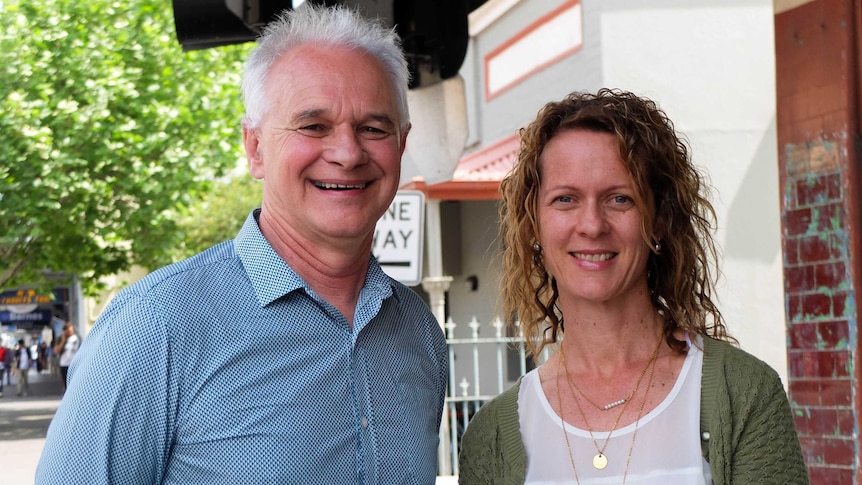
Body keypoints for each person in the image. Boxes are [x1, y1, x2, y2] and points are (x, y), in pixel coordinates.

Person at [37, 5, 447, 484]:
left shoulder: (418, 335)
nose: (347, 153)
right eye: (313, 126)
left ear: (400, 145)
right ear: (255, 148)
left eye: (373, 128)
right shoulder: (156, 327)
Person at [458, 89, 808, 484]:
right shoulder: (494, 435)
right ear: (535, 224)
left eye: (619, 199)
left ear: (658, 219)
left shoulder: (744, 394)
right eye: (565, 199)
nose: (592, 224)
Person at [53, 323, 80, 390]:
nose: (69, 332)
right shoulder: (61, 338)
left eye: (71, 330)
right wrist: (63, 340)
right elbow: (56, 351)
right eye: (67, 331)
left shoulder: (78, 338)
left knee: (75, 383)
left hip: (74, 364)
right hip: (64, 364)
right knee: (66, 384)